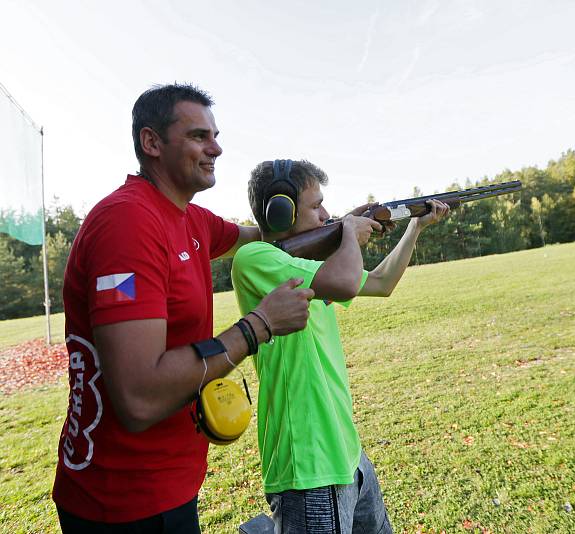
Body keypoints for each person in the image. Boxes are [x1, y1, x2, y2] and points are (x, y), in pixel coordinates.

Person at [52, 84, 314, 533]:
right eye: (199, 136)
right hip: (123, 501)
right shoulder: (128, 223)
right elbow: (138, 396)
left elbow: (265, 234)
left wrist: (336, 223)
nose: (217, 148)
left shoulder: (189, 218)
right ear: (151, 143)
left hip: (170, 483)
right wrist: (259, 326)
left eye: (214, 134)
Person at [231, 159, 450, 533]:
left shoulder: (310, 267)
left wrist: (415, 227)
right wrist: (348, 231)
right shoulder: (255, 258)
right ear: (281, 213)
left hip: (349, 453)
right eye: (316, 205)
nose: (326, 214)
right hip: (309, 466)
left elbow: (381, 283)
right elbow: (347, 281)